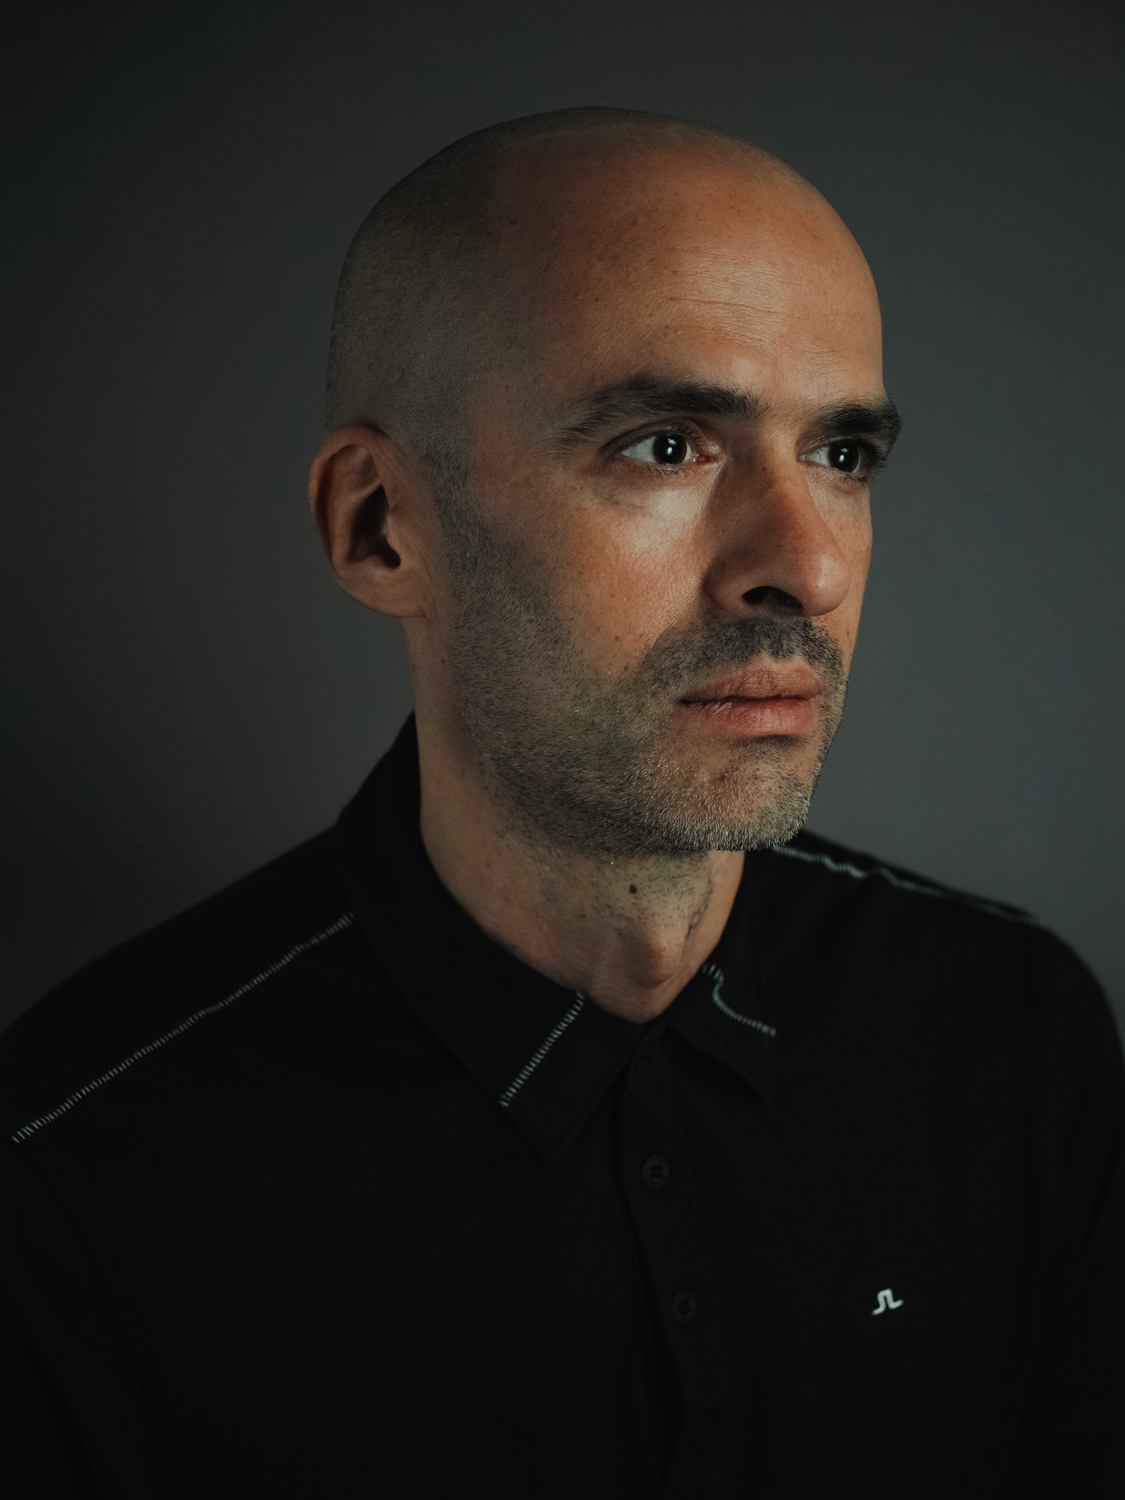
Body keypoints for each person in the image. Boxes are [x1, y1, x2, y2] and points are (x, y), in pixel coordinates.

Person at [1, 106, 1122, 1499]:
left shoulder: (1012, 1039)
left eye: (841, 456)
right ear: (379, 526)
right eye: (665, 446)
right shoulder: (79, 1176)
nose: (808, 568)